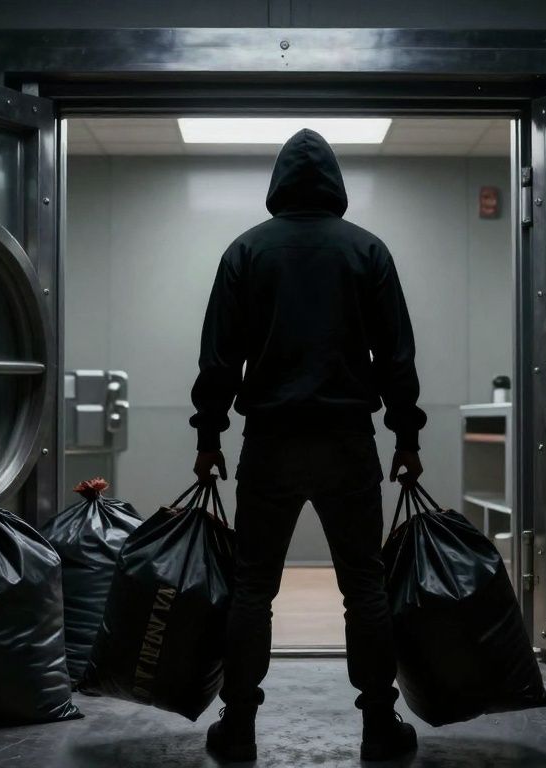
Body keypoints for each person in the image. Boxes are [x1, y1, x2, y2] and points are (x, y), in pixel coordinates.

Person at [190, 128, 425, 762]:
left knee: (252, 588)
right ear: (336, 185)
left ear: (277, 184)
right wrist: (406, 435)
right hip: (349, 442)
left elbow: (219, 359)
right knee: (365, 588)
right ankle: (380, 726)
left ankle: (236, 727)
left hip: (268, 443)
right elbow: (396, 355)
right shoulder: (367, 251)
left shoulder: (246, 252)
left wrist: (209, 435)